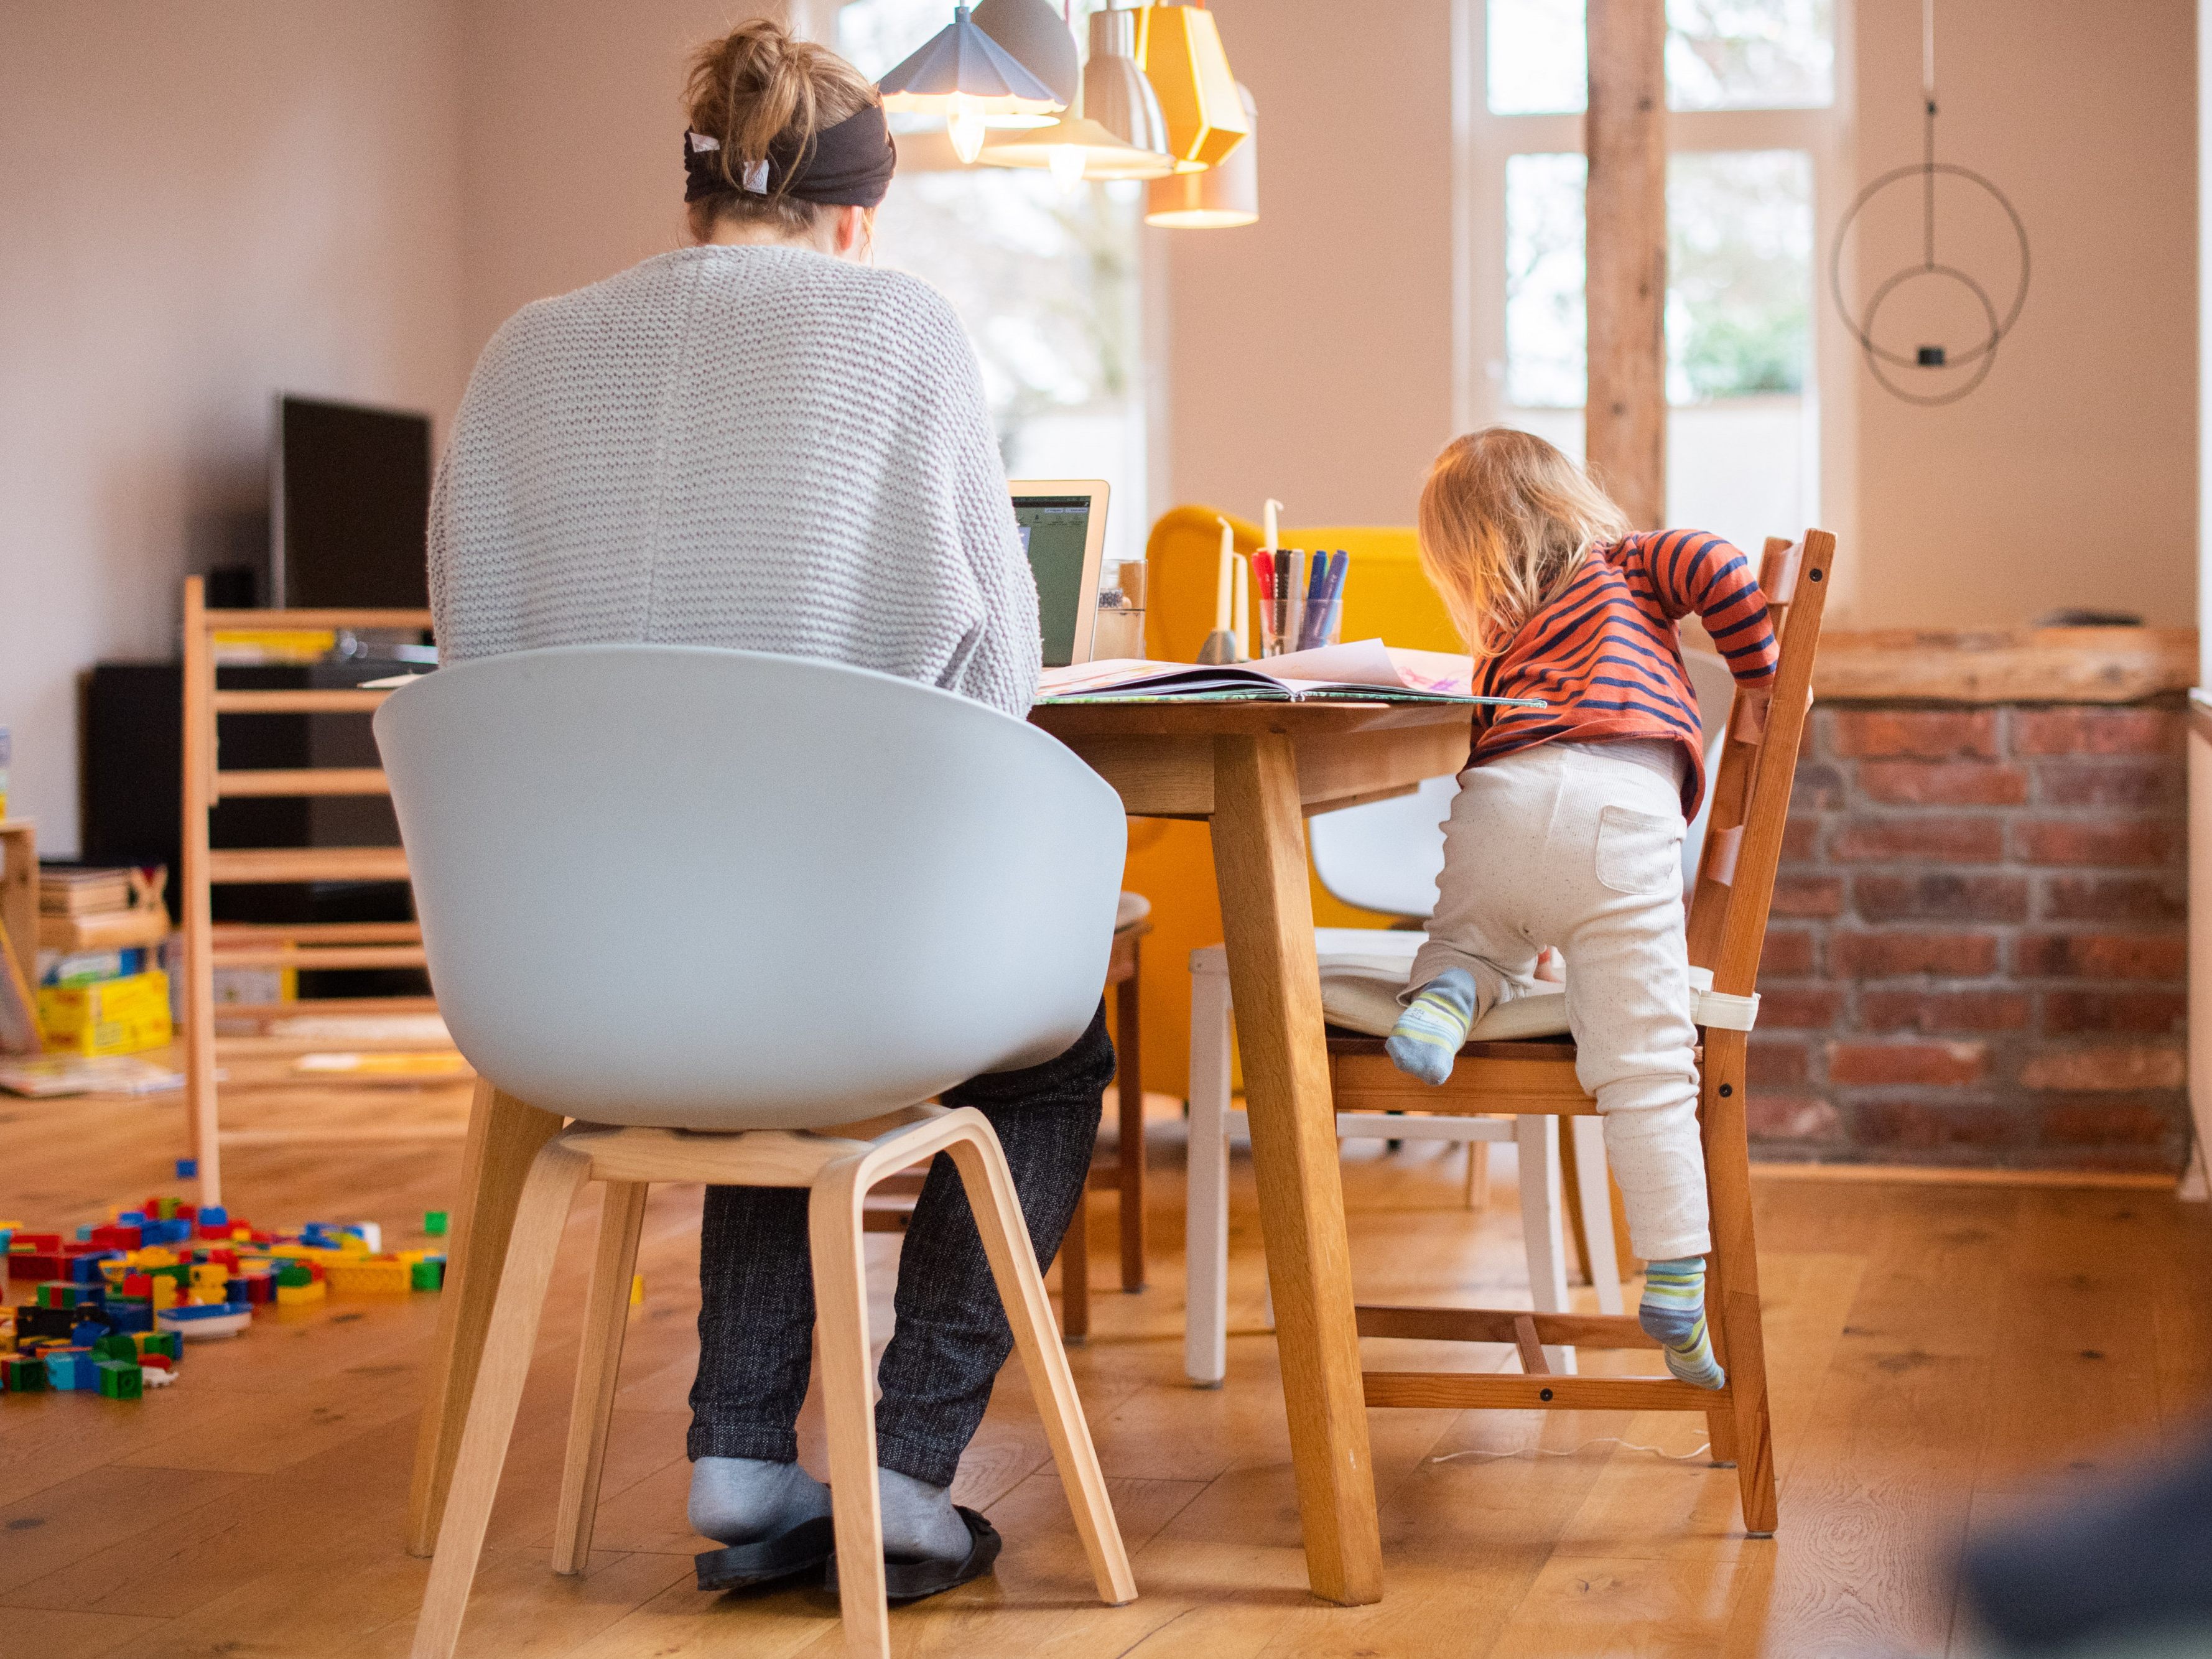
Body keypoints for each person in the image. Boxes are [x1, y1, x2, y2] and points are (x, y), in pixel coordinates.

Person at [427, 19, 1114, 1601]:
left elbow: (473, 650)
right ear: (857, 215)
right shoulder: (897, 336)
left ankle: (740, 1447)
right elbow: (993, 673)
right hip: (803, 975)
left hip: (564, 979)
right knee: (1053, 1037)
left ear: (695, 197)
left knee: (754, 978)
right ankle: (905, 1471)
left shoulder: (522, 350)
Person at [1385, 428, 1778, 1389]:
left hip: (1500, 805)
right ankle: (1677, 1278)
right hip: (1621, 822)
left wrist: (1530, 933)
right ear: (1569, 498)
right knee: (1643, 1068)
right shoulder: (1631, 560)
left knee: (1473, 937)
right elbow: (1719, 562)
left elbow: (1523, 836)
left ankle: (1442, 1003)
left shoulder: (1507, 641)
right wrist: (1762, 676)